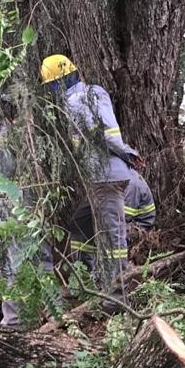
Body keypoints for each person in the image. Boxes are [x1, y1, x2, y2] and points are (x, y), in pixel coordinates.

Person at [41, 54, 143, 306]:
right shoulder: (77, 99)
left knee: (112, 236)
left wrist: (127, 153)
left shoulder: (83, 98)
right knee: (82, 223)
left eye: (52, 85)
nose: (52, 91)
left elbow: (107, 134)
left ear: (61, 81)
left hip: (107, 175)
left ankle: (116, 299)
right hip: (99, 177)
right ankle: (89, 283)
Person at [0, 92, 53, 327]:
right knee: (17, 263)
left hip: (22, 207)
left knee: (28, 261)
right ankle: (20, 320)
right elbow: (8, 169)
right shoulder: (8, 134)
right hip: (16, 208)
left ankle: (41, 315)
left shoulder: (9, 132)